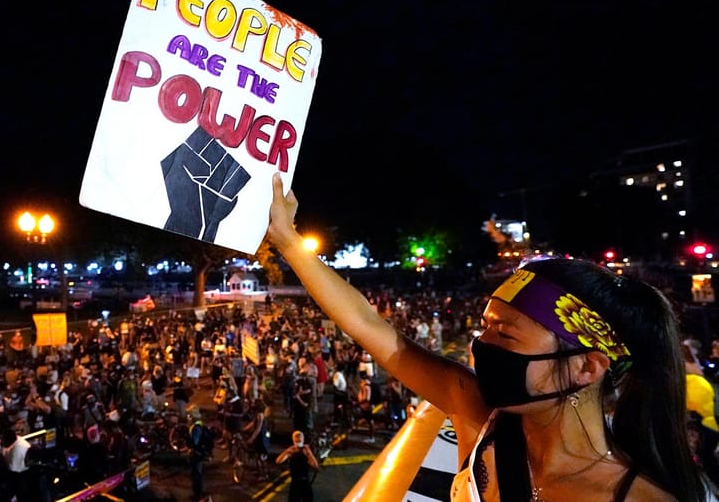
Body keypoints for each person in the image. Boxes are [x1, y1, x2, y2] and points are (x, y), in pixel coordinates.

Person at [266, 172, 712, 501]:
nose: (482, 344)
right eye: (485, 325)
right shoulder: (481, 418)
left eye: (505, 333)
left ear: (586, 366)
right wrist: (287, 241)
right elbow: (371, 327)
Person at [275, 430, 320, 502]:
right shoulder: (291, 452)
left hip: (304, 482)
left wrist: (309, 452)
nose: (298, 443)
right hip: (295, 483)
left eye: (299, 441)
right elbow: (278, 461)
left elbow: (316, 465)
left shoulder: (305, 452)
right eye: (296, 441)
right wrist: (288, 451)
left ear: (303, 440)